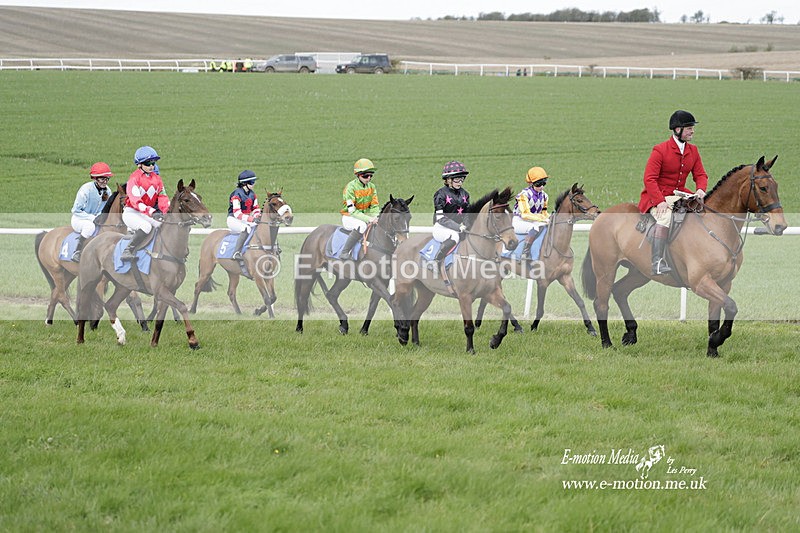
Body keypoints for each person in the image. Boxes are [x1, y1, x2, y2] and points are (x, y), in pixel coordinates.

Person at [639, 110, 709, 275]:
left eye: (692, 128)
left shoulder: (693, 151)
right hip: (657, 197)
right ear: (677, 130)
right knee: (665, 216)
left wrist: (700, 189)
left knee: (701, 212)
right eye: (689, 128)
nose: (692, 131)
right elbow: (649, 179)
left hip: (680, 195)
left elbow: (700, 174)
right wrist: (660, 202)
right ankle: (657, 261)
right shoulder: (660, 150)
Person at [120, 146, 170, 261]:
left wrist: (166, 212)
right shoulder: (133, 179)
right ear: (140, 164)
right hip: (131, 213)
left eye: (153, 163)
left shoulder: (157, 179)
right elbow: (136, 201)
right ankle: (127, 251)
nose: (152, 166)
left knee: (162, 224)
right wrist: (151, 212)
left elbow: (162, 197)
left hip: (146, 213)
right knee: (146, 227)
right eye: (148, 163)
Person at [70, 162, 113, 261]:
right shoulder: (86, 189)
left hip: (96, 219)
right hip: (79, 219)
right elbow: (76, 210)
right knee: (89, 227)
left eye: (107, 179)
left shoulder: (108, 191)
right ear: (95, 178)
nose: (105, 182)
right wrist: (93, 218)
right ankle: (77, 252)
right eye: (103, 179)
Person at [339, 158, 380, 261]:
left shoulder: (372, 187)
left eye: (371, 175)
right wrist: (369, 219)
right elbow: (352, 211)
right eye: (365, 175)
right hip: (349, 217)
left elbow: (374, 206)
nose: (368, 178)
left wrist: (375, 216)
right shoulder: (350, 188)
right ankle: (344, 252)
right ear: (358, 175)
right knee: (361, 226)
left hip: (364, 217)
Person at [432, 160, 471, 265]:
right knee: (455, 237)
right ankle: (436, 261)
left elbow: (467, 214)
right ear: (448, 180)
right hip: (441, 227)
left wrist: (468, 226)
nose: (460, 182)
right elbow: (440, 218)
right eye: (457, 179)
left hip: (458, 227)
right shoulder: (440, 194)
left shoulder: (465, 194)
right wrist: (458, 227)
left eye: (462, 179)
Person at [513, 167, 550, 259]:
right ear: (531, 183)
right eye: (538, 184)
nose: (541, 186)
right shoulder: (524, 195)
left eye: (543, 183)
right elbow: (525, 214)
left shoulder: (545, 196)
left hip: (533, 220)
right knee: (534, 227)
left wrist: (550, 218)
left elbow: (544, 212)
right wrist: (542, 218)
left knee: (546, 227)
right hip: (519, 220)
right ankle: (525, 253)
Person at [228, 170, 262, 260]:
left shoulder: (252, 194)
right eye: (252, 182)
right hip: (233, 219)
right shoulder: (236, 194)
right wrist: (251, 219)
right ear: (245, 183)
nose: (254, 184)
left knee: (259, 227)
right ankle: (236, 252)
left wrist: (257, 216)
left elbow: (256, 208)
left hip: (245, 219)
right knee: (246, 229)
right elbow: (237, 213)